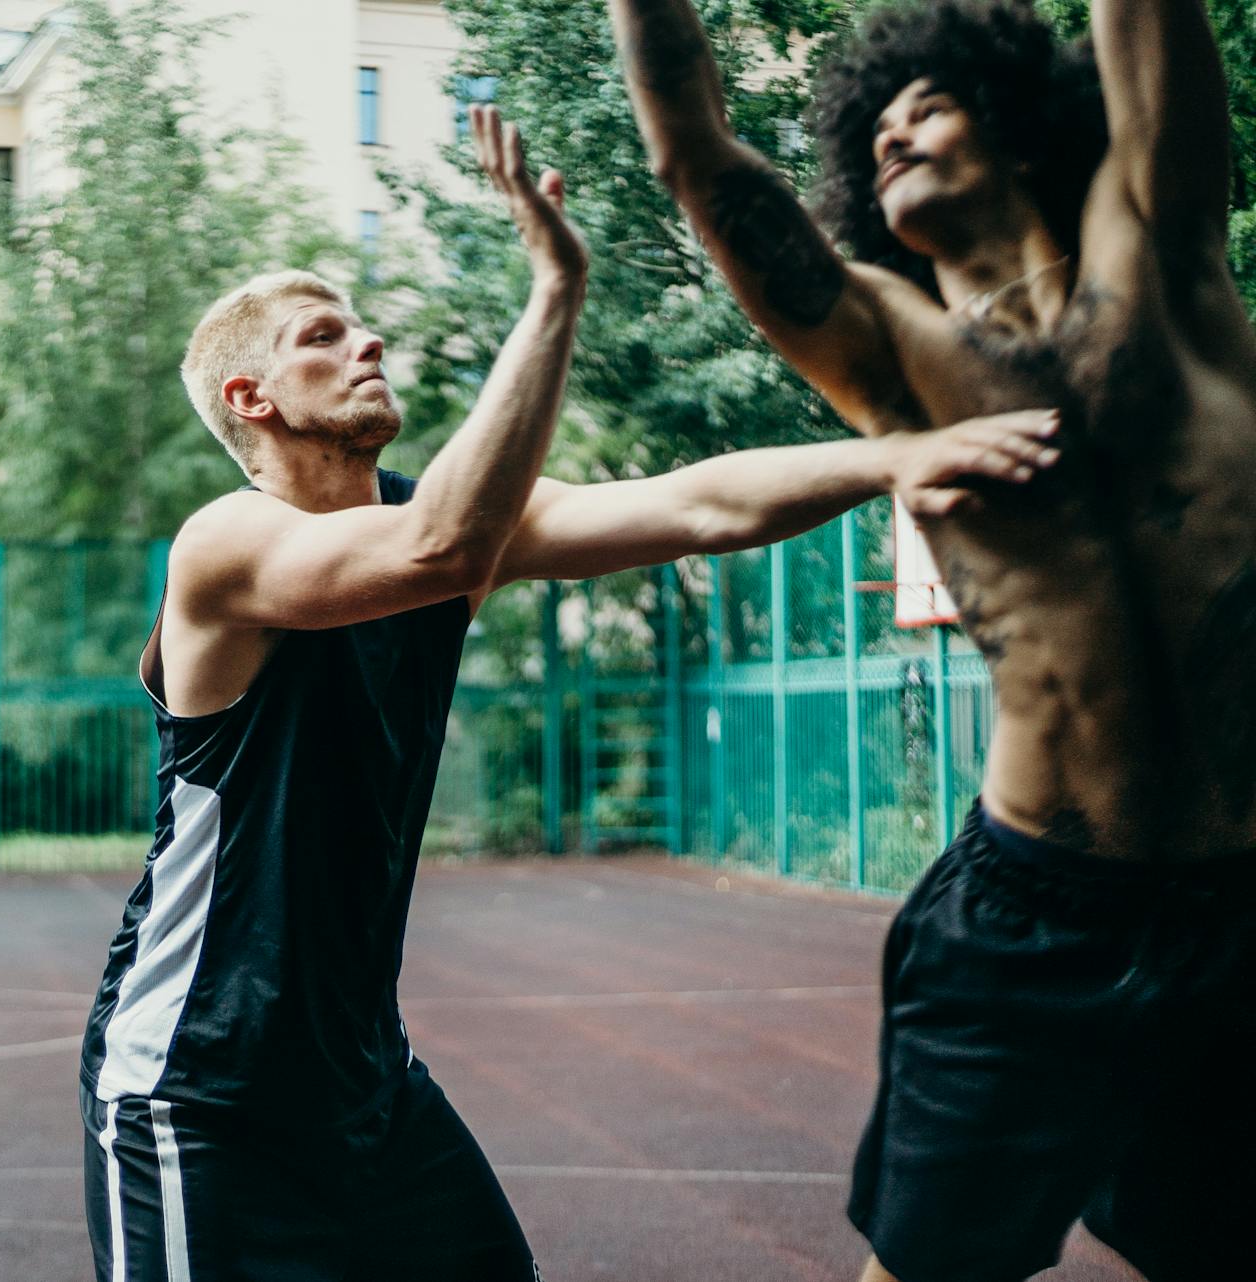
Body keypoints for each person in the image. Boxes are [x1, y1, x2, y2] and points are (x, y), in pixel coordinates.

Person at [78, 104, 1062, 1282]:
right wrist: (553, 293)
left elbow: (699, 503)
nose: (369, 343)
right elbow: (441, 548)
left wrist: (896, 457)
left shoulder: (441, 523)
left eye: (363, 326)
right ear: (252, 399)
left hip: (364, 1083)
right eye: (323, 337)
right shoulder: (227, 545)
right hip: (201, 1090)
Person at [607, 0, 1256, 1277]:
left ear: (1016, 127)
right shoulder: (895, 358)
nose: (895, 128)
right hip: (1031, 926)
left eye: (930, 104)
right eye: (880, 125)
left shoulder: (1168, 262)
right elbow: (695, 152)